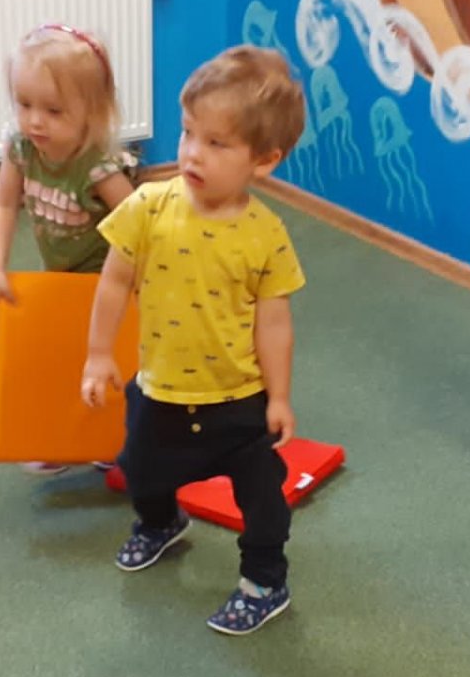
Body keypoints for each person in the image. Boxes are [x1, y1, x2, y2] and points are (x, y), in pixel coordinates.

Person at [82, 46, 307, 635]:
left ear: (264, 160)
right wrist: (99, 354)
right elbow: (114, 282)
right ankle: (161, 522)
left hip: (238, 399)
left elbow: (274, 323)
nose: (192, 153)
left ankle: (265, 582)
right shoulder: (147, 207)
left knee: (263, 499)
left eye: (217, 143)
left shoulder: (266, 235)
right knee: (140, 472)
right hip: (160, 390)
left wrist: (280, 397)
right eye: (188, 132)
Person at [0, 24, 135, 475]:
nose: (34, 121)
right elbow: (3, 204)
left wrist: (140, 283)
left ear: (92, 111)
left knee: (107, 360)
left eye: (53, 110)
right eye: (24, 104)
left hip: (106, 284)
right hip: (61, 277)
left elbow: (140, 224)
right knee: (57, 358)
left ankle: (112, 441)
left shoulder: (98, 167)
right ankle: (60, 441)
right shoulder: (22, 149)